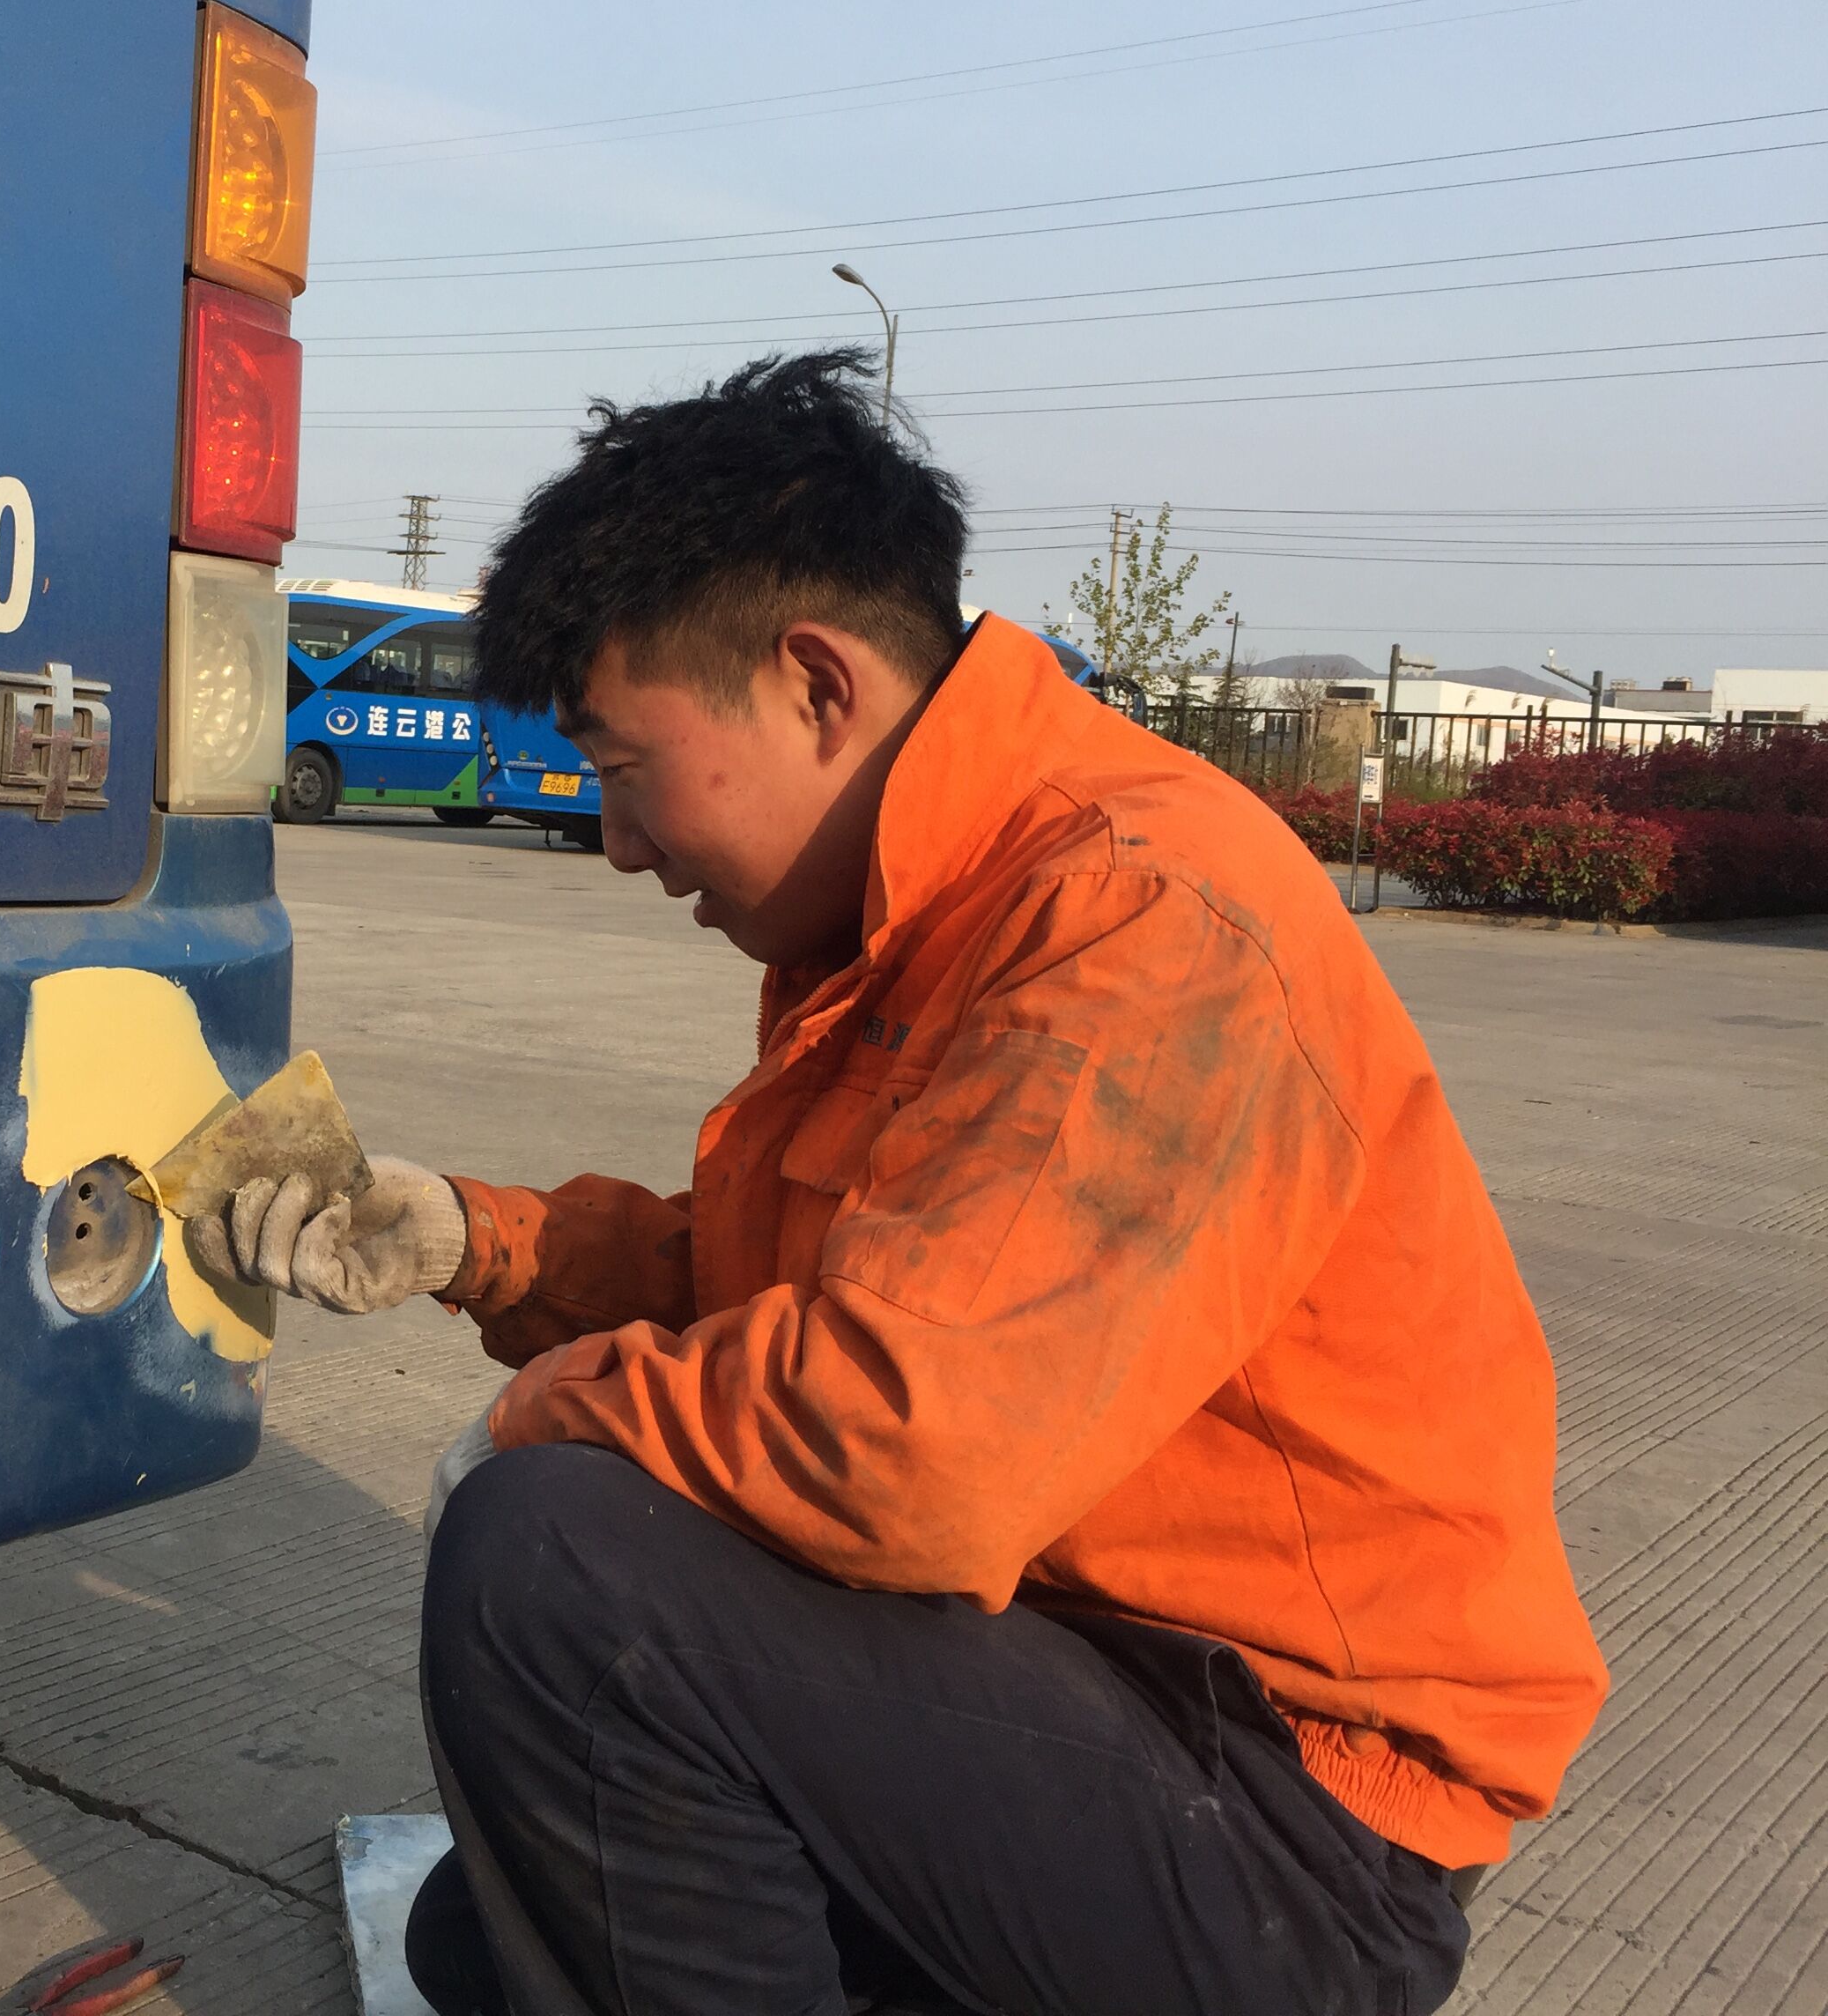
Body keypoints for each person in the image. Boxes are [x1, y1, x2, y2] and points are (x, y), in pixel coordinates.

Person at [186, 352, 1605, 2016]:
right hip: (1101, 1685)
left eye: (623, 768)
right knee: (488, 1936)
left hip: (1292, 1825)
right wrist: (475, 1243)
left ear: (815, 685)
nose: (618, 842)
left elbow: (912, 1443)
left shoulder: (1140, 914)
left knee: (556, 1577)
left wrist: (541, 1414)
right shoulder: (917, 906)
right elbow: (798, 1293)